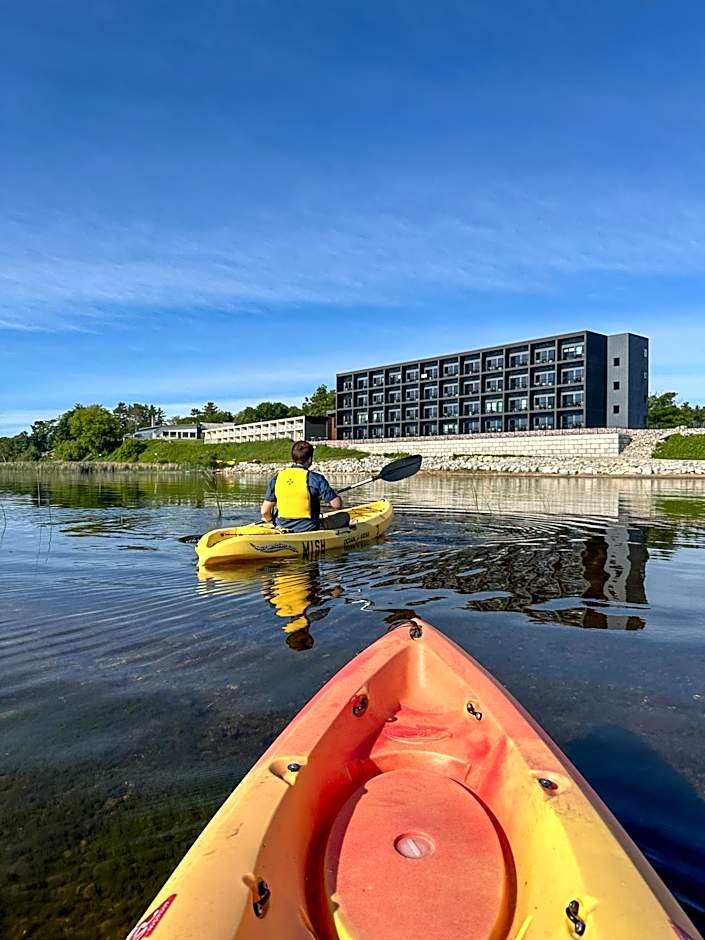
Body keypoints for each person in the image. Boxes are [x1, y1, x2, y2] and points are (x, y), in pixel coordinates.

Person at [260, 440, 349, 531]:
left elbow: (265, 511)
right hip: (310, 527)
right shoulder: (317, 478)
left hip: (282, 526)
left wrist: (271, 521)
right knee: (345, 516)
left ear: (293, 458)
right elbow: (337, 505)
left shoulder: (277, 477)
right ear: (310, 459)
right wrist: (334, 494)